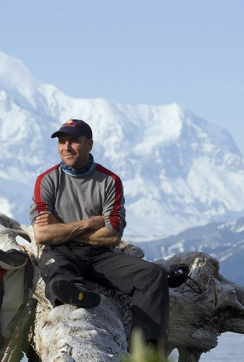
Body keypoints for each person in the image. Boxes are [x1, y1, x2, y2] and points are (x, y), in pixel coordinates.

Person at [30, 119, 169, 348]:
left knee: (153, 275)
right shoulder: (46, 180)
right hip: (61, 252)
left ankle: (146, 350)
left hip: (100, 255)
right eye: (62, 142)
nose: (66, 147)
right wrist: (89, 223)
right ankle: (77, 295)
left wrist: (62, 227)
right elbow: (42, 235)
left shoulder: (109, 181)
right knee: (57, 270)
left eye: (74, 142)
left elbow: (112, 236)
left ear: (89, 144)